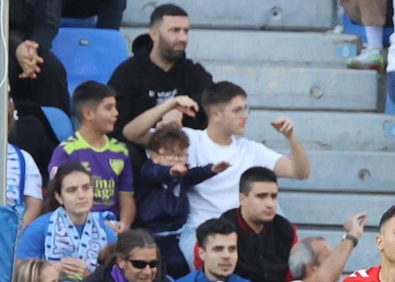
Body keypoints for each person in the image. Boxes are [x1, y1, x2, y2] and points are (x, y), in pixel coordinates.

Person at [131, 81, 310, 243]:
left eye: (246, 109)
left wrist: (291, 137)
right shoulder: (187, 141)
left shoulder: (252, 150)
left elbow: (299, 172)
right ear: (216, 114)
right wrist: (170, 104)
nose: (245, 115)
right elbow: (132, 133)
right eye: (237, 110)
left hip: (242, 234)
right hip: (201, 234)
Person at [15, 162, 117, 282]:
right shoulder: (40, 227)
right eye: (72, 190)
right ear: (59, 197)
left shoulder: (106, 232)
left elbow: (116, 277)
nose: (81, 195)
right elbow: (18, 270)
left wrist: (88, 276)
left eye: (86, 188)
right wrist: (52, 270)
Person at [133, 125, 225, 279]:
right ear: (154, 156)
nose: (176, 160)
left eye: (181, 155)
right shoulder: (148, 171)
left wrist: (211, 170)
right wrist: (170, 171)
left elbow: (194, 175)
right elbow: (156, 173)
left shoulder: (181, 173)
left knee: (195, 261)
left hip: (178, 232)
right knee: (168, 266)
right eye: (170, 155)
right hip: (153, 232)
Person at [112, 5, 213, 142]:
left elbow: (214, 101)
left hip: (185, 150)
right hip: (140, 149)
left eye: (186, 31)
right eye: (175, 30)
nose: (183, 38)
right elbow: (118, 128)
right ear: (154, 34)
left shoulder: (193, 71)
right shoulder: (127, 73)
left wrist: (179, 111)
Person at [46, 81, 135, 229]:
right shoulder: (66, 151)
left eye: (115, 107)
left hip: (112, 230)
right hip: (75, 228)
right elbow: (57, 199)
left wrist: (124, 225)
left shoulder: (120, 151)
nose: (116, 113)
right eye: (109, 108)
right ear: (88, 113)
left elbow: (126, 197)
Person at [229, 166, 299, 282]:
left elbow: (293, 280)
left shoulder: (286, 229)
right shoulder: (224, 228)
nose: (270, 204)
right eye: (261, 196)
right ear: (243, 199)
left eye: (274, 196)